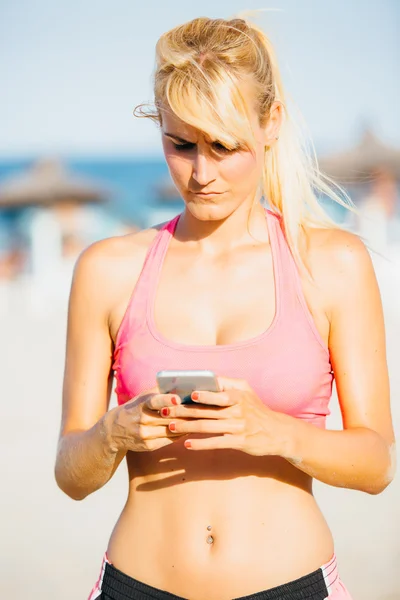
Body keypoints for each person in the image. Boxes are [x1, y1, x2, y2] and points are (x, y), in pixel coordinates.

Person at [54, 15, 396, 600]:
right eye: (181, 144)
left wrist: (271, 430)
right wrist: (115, 431)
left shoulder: (332, 265)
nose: (201, 172)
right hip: (136, 584)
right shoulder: (107, 270)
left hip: (291, 585)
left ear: (271, 124)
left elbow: (376, 463)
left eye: (225, 145)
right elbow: (71, 474)